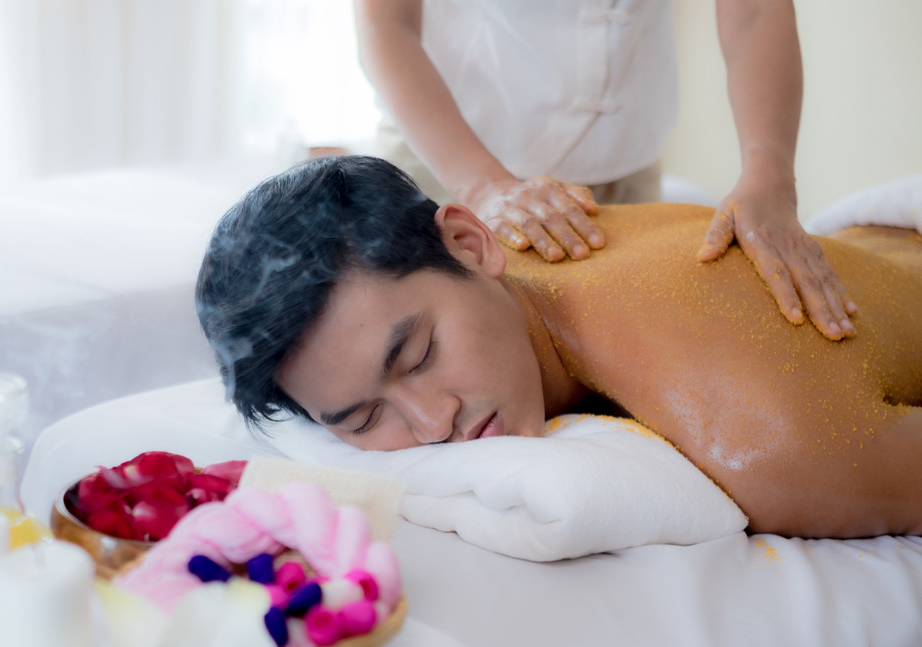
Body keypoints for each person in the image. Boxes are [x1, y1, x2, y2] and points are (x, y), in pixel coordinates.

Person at [195, 155, 921, 540]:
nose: (433, 423)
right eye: (361, 419)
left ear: (471, 243)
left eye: (418, 355)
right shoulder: (492, 278)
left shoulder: (766, 446)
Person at [354, 0, 858, 341]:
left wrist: (771, 174)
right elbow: (386, 21)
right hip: (446, 156)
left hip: (620, 164)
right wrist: (481, 184)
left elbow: (754, 9)